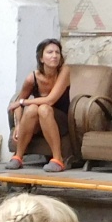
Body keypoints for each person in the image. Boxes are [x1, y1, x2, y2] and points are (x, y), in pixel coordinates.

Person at [6, 39, 72, 171]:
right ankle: (18, 156)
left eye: (57, 52)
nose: (54, 56)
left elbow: (50, 100)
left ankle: (57, 159)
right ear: (41, 58)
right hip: (37, 123)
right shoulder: (32, 78)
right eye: (50, 52)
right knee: (32, 110)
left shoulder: (64, 71)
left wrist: (23, 102)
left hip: (60, 121)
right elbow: (18, 103)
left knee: (43, 108)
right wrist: (18, 124)